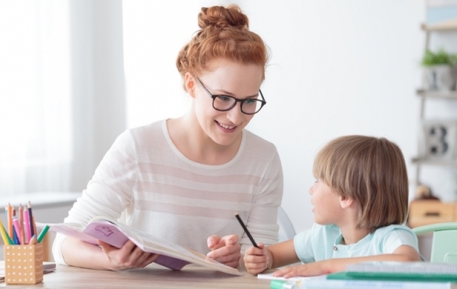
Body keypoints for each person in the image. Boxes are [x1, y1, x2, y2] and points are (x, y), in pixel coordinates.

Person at [52, 4, 283, 271]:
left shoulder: (263, 159)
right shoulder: (138, 148)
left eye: (249, 101)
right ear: (191, 85)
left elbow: (262, 257)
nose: (235, 117)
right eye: (223, 98)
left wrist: (240, 260)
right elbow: (64, 244)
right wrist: (112, 261)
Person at [243, 135, 421, 277]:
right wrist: (263, 258)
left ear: (345, 196)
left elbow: (407, 263)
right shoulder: (323, 234)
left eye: (317, 181)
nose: (311, 190)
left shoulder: (392, 237)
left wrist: (327, 266)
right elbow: (273, 256)